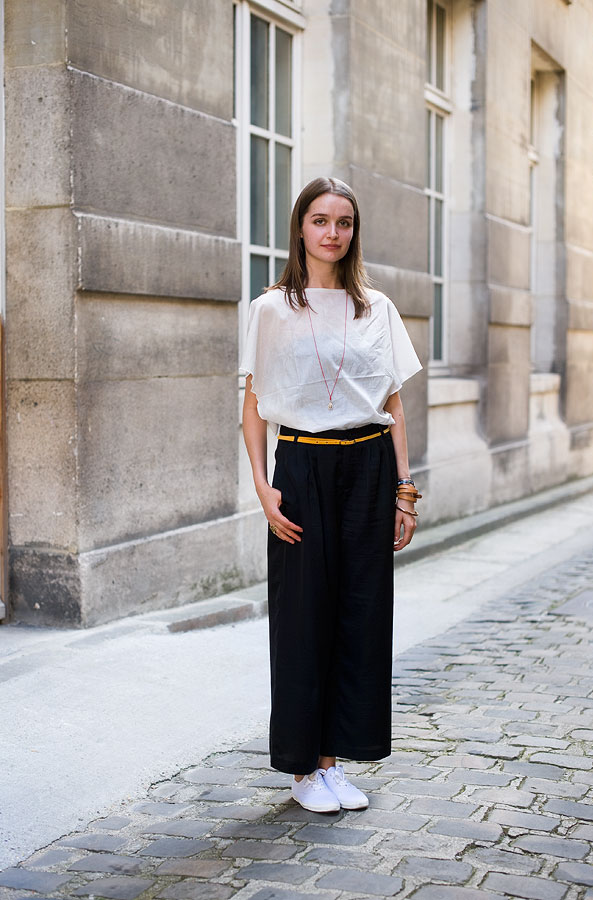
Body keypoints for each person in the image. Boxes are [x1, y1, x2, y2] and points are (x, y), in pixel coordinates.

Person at [241, 176, 422, 813]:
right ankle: (302, 768)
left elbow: (393, 403)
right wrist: (263, 488)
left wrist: (403, 489)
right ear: (300, 227)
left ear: (354, 232)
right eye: (320, 220)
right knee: (303, 617)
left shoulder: (377, 308)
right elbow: (253, 406)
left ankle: (333, 763)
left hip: (369, 468)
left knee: (360, 616)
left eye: (344, 222)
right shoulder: (271, 309)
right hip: (303, 467)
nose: (333, 233)